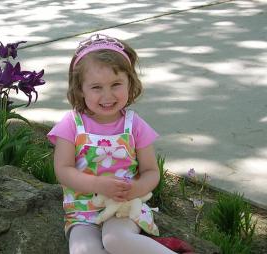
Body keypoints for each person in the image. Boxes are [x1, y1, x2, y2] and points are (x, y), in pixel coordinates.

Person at [47, 34, 176, 254]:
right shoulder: (71, 124)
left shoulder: (134, 125)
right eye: (96, 87)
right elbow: (63, 170)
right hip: (82, 211)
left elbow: (151, 171)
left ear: (130, 83)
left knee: (116, 240)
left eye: (116, 84)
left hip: (124, 206)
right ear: (80, 89)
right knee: (83, 250)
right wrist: (98, 184)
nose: (108, 95)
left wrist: (136, 189)